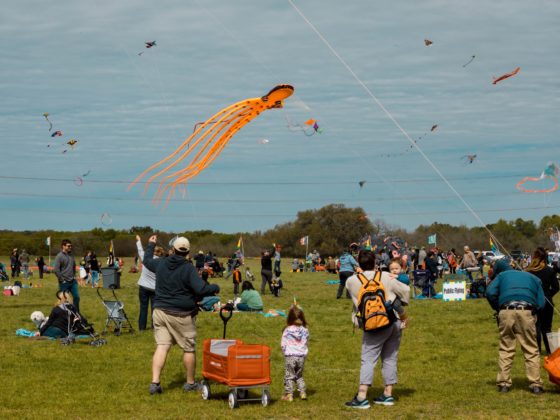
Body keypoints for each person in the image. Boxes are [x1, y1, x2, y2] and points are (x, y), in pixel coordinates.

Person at [142, 235, 219, 395]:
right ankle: (190, 383)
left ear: (173, 249)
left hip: (160, 312)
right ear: (188, 252)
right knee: (189, 349)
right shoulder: (188, 268)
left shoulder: (161, 262)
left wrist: (150, 244)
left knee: (162, 346)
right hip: (181, 314)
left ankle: (155, 383)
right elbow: (200, 289)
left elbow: (147, 261)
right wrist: (214, 287)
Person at [344, 250, 410, 409]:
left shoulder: (351, 281)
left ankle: (361, 396)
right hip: (393, 320)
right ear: (375, 262)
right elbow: (406, 291)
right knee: (390, 358)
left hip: (372, 324)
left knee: (368, 359)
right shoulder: (386, 276)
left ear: (359, 263)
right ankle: (387, 394)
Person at [486, 259, 545, 394]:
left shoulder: (501, 276)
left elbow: (489, 293)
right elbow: (541, 303)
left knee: (506, 348)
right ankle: (535, 384)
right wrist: (533, 313)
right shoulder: (534, 278)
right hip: (527, 311)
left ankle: (504, 384)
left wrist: (498, 308)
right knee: (531, 348)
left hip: (506, 310)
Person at [525, 247, 559, 354]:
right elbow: (556, 287)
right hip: (547, 302)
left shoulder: (529, 271)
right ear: (546, 257)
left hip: (533, 302)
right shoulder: (549, 270)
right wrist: (548, 295)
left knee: (536, 327)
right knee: (547, 328)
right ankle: (549, 351)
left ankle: (537, 350)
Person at [136, 235, 165, 331]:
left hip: (143, 286)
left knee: (143, 308)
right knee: (154, 309)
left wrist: (139, 241)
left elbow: (140, 251)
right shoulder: (162, 262)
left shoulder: (147, 258)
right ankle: (154, 327)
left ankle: (141, 328)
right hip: (154, 288)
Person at [281, 305, 309, 402]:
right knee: (299, 376)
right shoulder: (305, 330)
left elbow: (283, 344)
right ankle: (302, 392)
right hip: (301, 356)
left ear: (290, 318)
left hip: (290, 356)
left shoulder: (287, 330)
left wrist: (285, 352)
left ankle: (289, 395)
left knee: (289, 376)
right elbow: (306, 342)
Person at [54, 239, 80, 314]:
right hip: (64, 282)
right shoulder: (59, 256)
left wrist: (74, 276)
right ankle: (63, 315)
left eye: (71, 246)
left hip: (73, 281)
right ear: (63, 246)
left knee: (76, 297)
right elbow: (56, 269)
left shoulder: (71, 256)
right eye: (68, 246)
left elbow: (74, 266)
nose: (70, 247)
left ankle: (76, 314)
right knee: (64, 300)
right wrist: (62, 279)